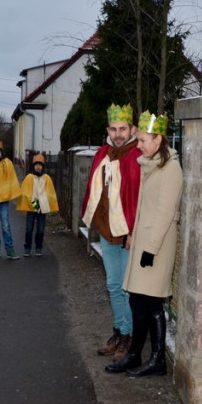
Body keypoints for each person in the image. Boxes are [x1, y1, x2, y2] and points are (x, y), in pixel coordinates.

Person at [104, 112, 184, 377]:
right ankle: (135, 354)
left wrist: (149, 248)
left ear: (159, 139)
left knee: (150, 304)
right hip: (144, 243)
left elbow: (164, 212)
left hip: (156, 247)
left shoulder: (171, 169)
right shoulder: (152, 166)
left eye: (143, 140)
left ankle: (157, 359)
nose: (138, 145)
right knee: (139, 301)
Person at [82, 104, 142, 361]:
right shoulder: (102, 155)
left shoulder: (137, 156)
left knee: (128, 288)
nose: (118, 134)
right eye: (114, 129)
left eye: (123, 129)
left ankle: (128, 338)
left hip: (129, 234)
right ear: (108, 130)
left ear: (133, 129)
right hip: (108, 233)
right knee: (114, 285)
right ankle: (119, 332)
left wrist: (134, 231)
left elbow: (141, 198)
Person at [16, 153, 58, 257]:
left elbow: (50, 193)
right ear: (33, 166)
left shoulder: (47, 178)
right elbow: (26, 193)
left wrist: (43, 205)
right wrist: (35, 205)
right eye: (36, 165)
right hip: (32, 207)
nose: (38, 167)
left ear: (43, 167)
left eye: (40, 165)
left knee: (40, 228)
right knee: (29, 228)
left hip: (42, 208)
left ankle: (38, 247)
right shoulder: (29, 178)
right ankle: (27, 247)